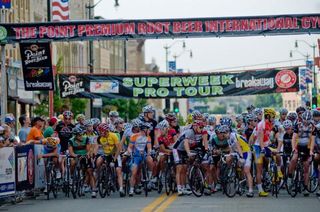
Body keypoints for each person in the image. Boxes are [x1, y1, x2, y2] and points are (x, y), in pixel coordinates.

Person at [252, 108, 282, 197]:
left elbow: (275, 136)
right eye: (273, 117)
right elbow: (260, 139)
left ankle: (278, 171)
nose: (274, 118)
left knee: (277, 154)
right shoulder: (262, 125)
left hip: (266, 145)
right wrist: (262, 149)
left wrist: (278, 146)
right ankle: (260, 190)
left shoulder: (270, 124)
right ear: (268, 116)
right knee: (259, 170)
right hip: (258, 147)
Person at [288, 110, 315, 196]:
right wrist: (293, 148)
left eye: (308, 120)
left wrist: (311, 150)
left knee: (306, 166)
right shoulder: (298, 125)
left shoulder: (313, 126)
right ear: (302, 119)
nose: (306, 122)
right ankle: (290, 176)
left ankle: (306, 187)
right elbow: (294, 137)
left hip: (307, 147)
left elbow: (313, 140)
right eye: (304, 120)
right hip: (298, 146)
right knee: (294, 159)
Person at [94, 123, 124, 197]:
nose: (100, 133)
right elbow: (96, 147)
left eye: (102, 131)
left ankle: (121, 188)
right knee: (98, 161)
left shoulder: (113, 136)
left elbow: (119, 149)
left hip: (115, 154)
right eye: (99, 132)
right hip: (106, 154)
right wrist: (94, 154)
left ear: (106, 131)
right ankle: (100, 176)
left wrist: (114, 159)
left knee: (118, 170)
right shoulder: (100, 138)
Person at [127, 122, 154, 196]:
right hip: (136, 155)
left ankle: (150, 176)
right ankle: (131, 189)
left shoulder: (148, 137)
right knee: (134, 172)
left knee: (150, 159)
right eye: (149, 130)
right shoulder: (134, 136)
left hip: (144, 154)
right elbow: (129, 147)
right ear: (144, 130)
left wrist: (149, 153)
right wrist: (130, 152)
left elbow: (149, 148)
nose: (150, 131)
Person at [69, 126, 97, 198]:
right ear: (75, 136)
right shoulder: (71, 141)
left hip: (85, 156)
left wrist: (87, 155)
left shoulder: (86, 139)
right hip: (76, 156)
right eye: (79, 135)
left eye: (81, 134)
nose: (81, 136)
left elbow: (88, 150)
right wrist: (76, 155)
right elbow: (71, 152)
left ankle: (93, 189)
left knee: (90, 171)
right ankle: (72, 176)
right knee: (72, 162)